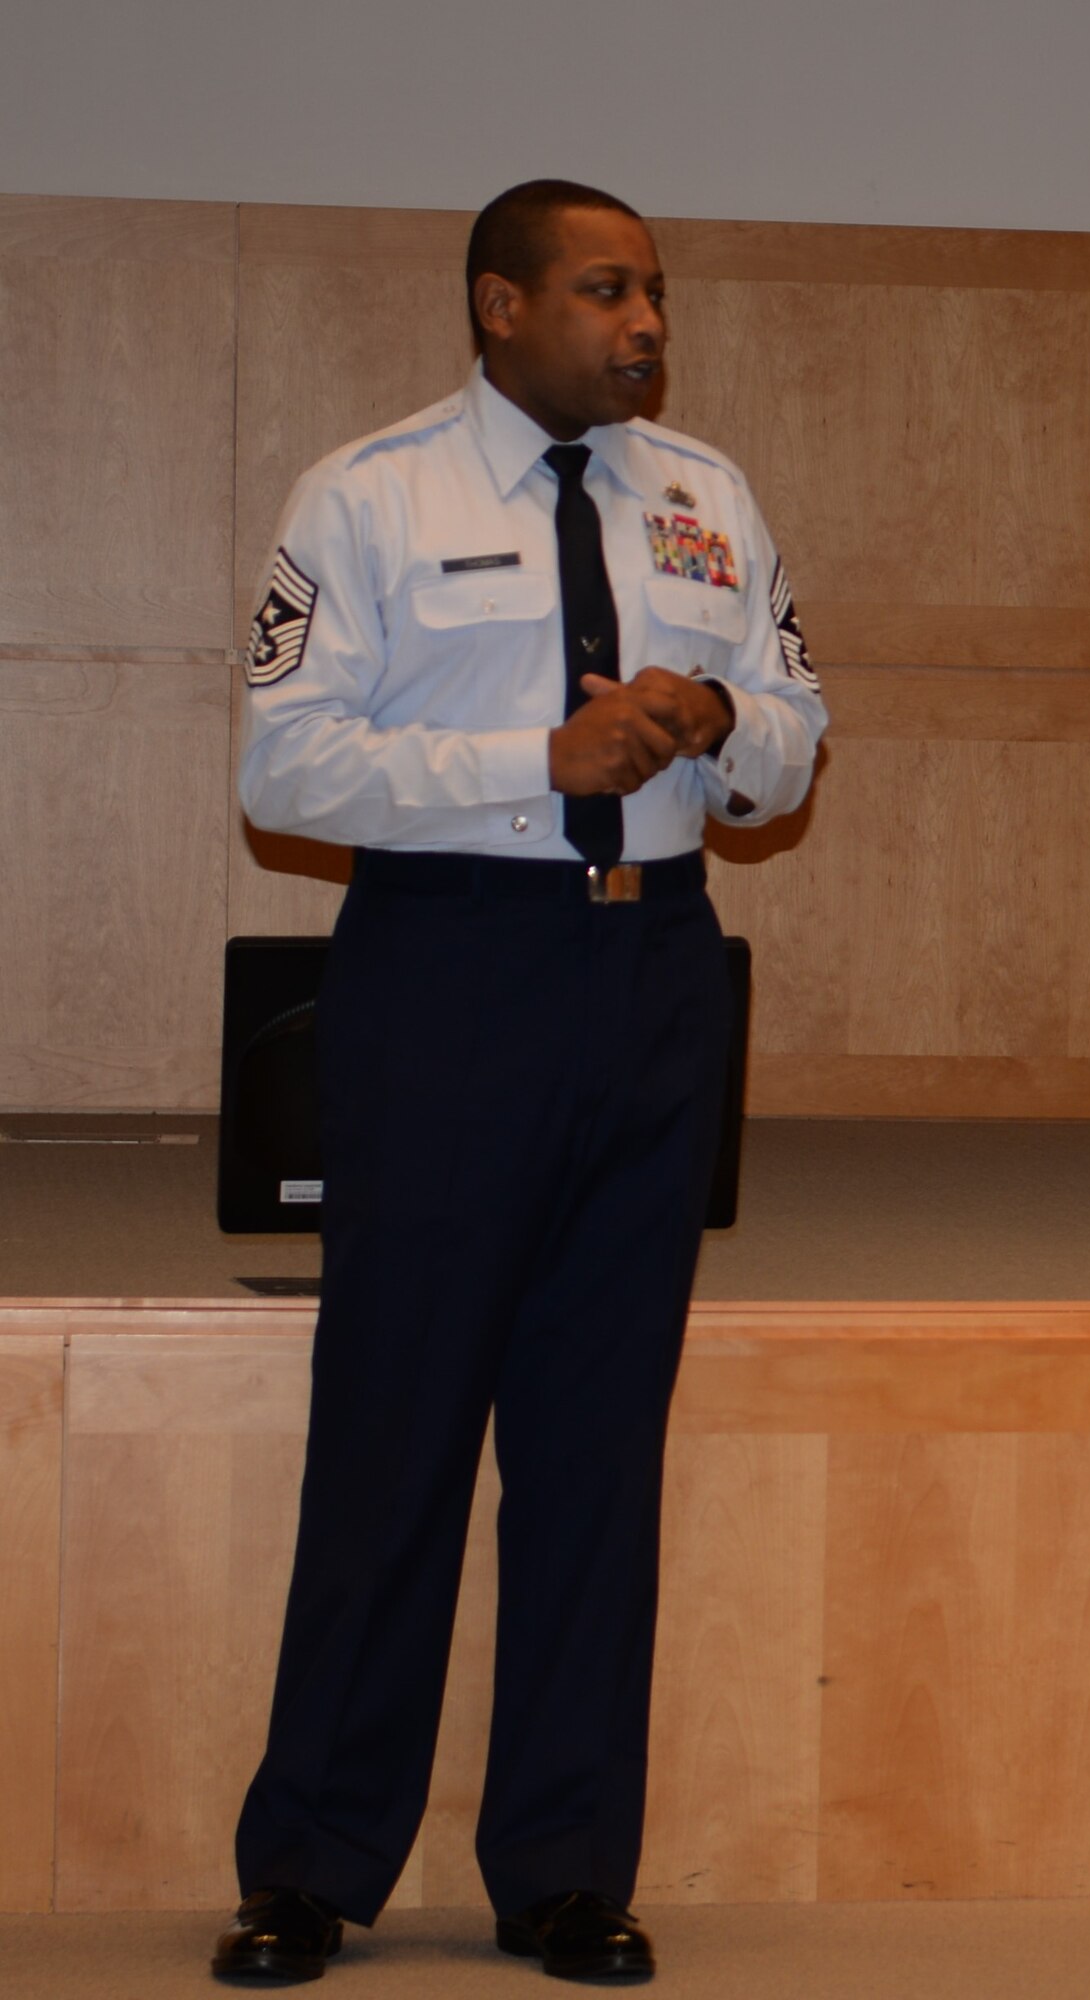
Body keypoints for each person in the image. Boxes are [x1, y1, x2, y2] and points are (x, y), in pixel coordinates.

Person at [212, 178, 827, 1986]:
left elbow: (795, 730)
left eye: (652, 292)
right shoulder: (372, 492)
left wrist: (721, 727)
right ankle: (312, 1865)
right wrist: (522, 759)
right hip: (451, 973)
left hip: (652, 976)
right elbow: (288, 766)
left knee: (591, 1444)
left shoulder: (703, 496)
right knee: (394, 1430)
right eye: (604, 289)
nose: (644, 322)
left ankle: (563, 1866)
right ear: (500, 305)